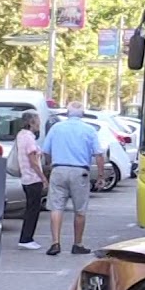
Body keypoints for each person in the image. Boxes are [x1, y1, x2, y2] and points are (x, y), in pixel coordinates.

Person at [40, 102, 105, 256]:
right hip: (80, 171)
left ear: (67, 113)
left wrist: (50, 164)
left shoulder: (56, 128)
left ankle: (55, 242)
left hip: (59, 169)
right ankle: (77, 243)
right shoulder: (89, 130)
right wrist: (100, 176)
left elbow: (46, 151)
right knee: (80, 210)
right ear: (82, 114)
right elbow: (99, 154)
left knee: (56, 207)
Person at [15, 110, 48, 250]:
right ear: (31, 122)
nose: (39, 123)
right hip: (33, 178)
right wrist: (43, 178)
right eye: (37, 120)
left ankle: (26, 237)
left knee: (30, 208)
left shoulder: (21, 135)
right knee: (33, 210)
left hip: (25, 177)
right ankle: (26, 238)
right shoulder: (29, 138)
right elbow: (33, 161)